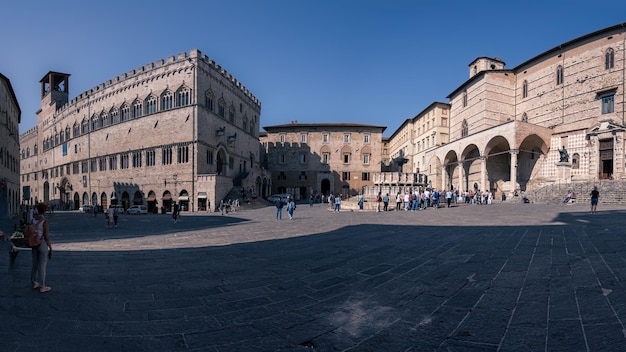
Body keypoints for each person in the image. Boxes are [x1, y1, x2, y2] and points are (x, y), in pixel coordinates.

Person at [31, 202, 52, 293]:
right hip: (41, 242)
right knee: (42, 265)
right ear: (44, 211)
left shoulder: (33, 220)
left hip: (33, 242)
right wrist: (50, 247)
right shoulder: (44, 221)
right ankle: (42, 286)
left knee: (34, 263)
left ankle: (34, 282)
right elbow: (46, 236)